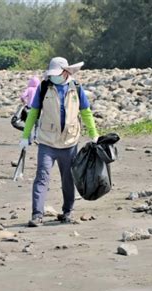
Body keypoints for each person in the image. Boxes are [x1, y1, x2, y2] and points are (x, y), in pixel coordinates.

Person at [19, 57, 99, 227]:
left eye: (57, 74)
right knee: (41, 177)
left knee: (68, 179)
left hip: (69, 142)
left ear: (66, 71)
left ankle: (68, 212)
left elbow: (86, 112)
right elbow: (33, 113)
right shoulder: (43, 87)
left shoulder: (76, 88)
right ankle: (37, 215)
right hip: (47, 142)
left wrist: (94, 134)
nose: (53, 76)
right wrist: (25, 136)